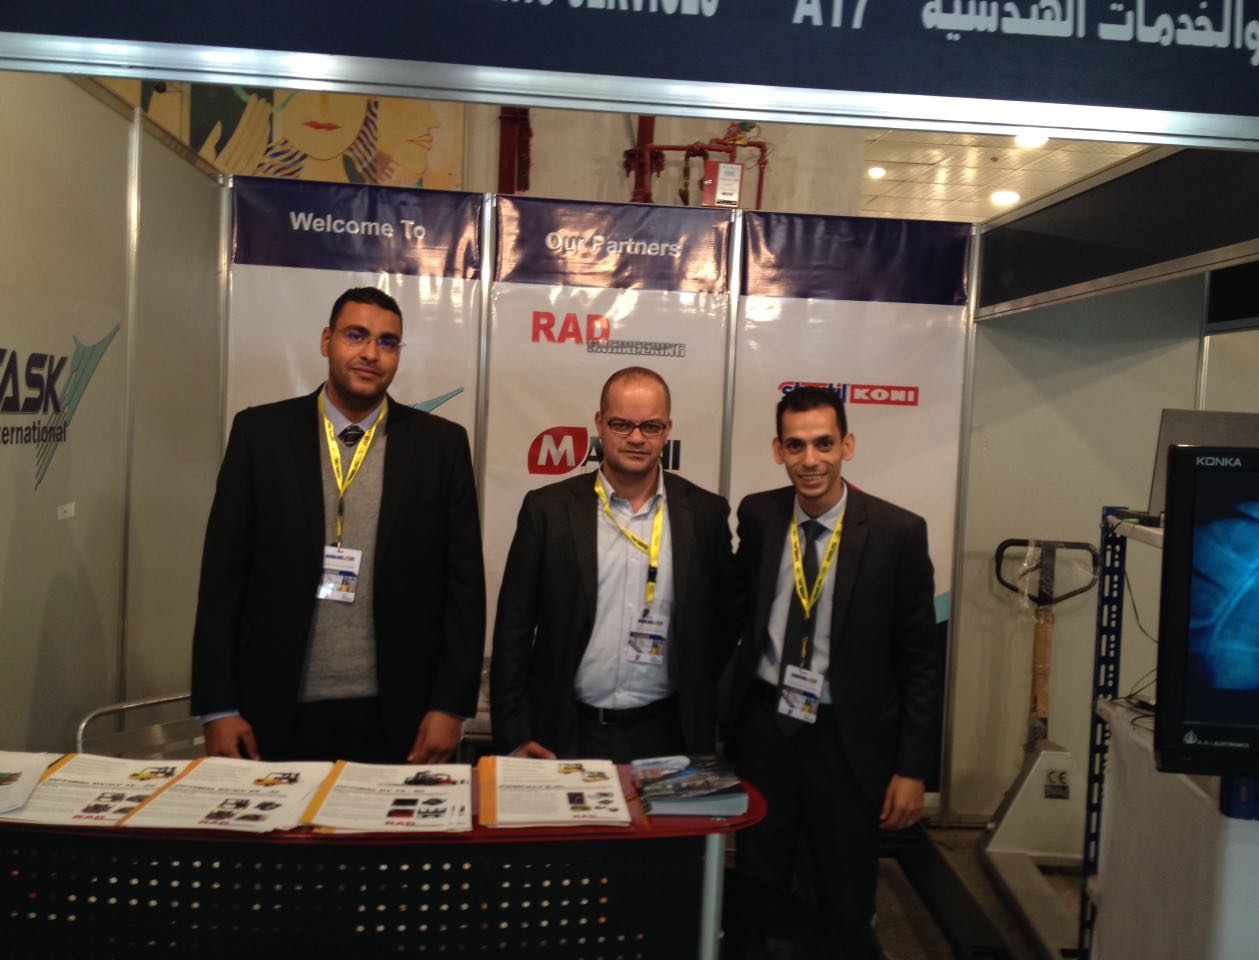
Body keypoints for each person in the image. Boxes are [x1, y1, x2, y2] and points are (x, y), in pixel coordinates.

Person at [191, 287, 485, 764]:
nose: (371, 353)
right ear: (327, 341)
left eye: (387, 342)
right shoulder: (260, 435)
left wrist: (451, 706)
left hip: (401, 713)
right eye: (356, 336)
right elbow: (222, 577)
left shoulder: (441, 446)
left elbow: (464, 589)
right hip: (274, 708)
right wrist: (217, 707)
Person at [726, 385, 940, 959]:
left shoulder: (897, 533)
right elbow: (734, 611)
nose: (810, 460)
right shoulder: (760, 515)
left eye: (823, 443)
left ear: (848, 445)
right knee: (759, 882)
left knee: (844, 893)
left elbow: (921, 660)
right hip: (767, 730)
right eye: (796, 446)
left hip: (847, 742)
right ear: (778, 450)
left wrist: (912, 769)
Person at [490, 366, 739, 763]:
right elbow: (513, 628)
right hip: (567, 732)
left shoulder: (705, 514)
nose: (637, 438)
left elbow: (725, 622)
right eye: (622, 424)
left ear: (668, 429)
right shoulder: (548, 510)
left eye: (651, 426)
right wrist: (514, 733)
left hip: (670, 734)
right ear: (600, 423)